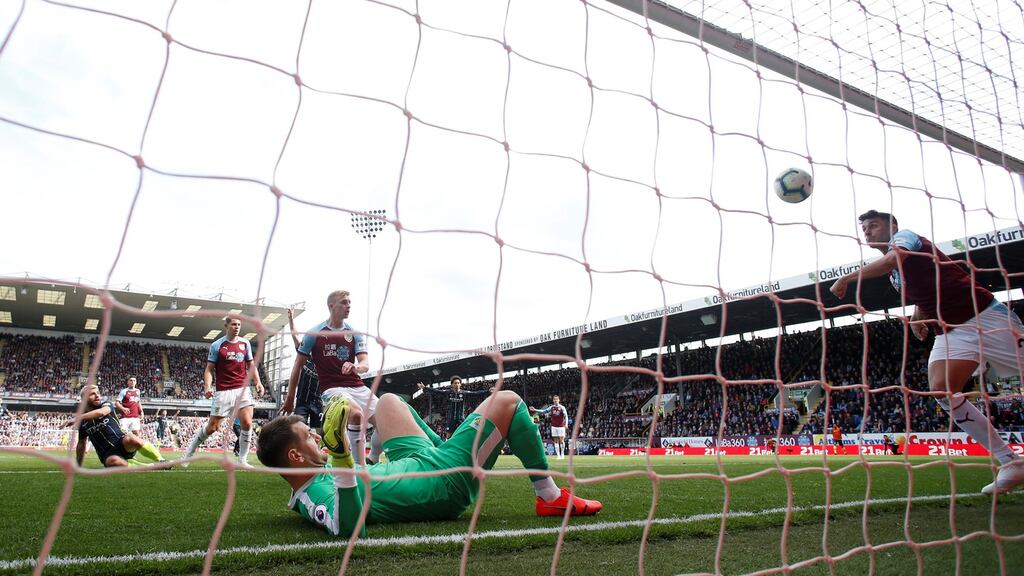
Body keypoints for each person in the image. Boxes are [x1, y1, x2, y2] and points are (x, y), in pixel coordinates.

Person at [831, 210, 1024, 494]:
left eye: (874, 225)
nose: (868, 232)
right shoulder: (897, 273)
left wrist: (848, 278)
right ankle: (1010, 461)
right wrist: (917, 315)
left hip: (985, 317)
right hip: (953, 331)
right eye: (865, 228)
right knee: (941, 389)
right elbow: (927, 286)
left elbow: (892, 260)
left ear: (892, 226)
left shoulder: (906, 238)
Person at [256, 390, 602, 538]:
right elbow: (348, 528)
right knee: (508, 401)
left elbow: (360, 474)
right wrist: (346, 456)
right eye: (308, 436)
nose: (316, 436)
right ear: (295, 456)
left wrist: (355, 429)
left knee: (389, 402)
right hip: (441, 481)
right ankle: (549, 495)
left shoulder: (320, 469)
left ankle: (451, 446)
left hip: (416, 460)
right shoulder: (312, 495)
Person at [282, 290, 377, 465]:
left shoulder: (354, 333)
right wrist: (289, 398)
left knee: (386, 417)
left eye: (349, 302)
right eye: (344, 302)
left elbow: (365, 364)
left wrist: (356, 366)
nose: (348, 306)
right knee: (354, 413)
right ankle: (358, 468)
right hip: (332, 388)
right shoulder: (315, 333)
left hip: (357, 386)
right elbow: (297, 366)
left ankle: (373, 459)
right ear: (331, 306)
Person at [183, 317, 265, 467]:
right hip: (223, 391)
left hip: (243, 389)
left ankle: (242, 460)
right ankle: (188, 454)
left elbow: (251, 365)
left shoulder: (244, 343)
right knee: (212, 428)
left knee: (247, 423)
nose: (237, 327)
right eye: (234, 324)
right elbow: (209, 369)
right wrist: (207, 387)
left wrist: (258, 382)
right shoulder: (217, 345)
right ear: (226, 325)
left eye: (239, 325)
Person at [69, 384, 167, 467]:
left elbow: (102, 413)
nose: (97, 396)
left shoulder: (106, 405)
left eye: (98, 393)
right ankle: (144, 467)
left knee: (131, 437)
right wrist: (78, 466)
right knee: (113, 461)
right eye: (92, 394)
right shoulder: (84, 423)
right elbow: (81, 444)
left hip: (122, 443)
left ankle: (161, 460)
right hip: (107, 455)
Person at [415, 376, 490, 439]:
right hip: (451, 418)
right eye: (455, 383)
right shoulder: (448, 393)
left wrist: (488, 391)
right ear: (452, 385)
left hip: (461, 418)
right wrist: (425, 388)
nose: (457, 384)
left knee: (466, 432)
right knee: (448, 436)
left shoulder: (463, 393)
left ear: (460, 384)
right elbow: (436, 391)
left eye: (458, 383)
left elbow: (476, 393)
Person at [286, 306, 323, 430]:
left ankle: (315, 448)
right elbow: (294, 334)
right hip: (302, 401)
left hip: (319, 402)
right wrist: (291, 319)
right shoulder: (304, 354)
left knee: (319, 433)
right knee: (299, 429)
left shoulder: (325, 361)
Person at [531, 395, 569, 459]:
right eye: (554, 399)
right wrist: (535, 409)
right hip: (554, 426)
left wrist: (566, 424)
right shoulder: (551, 407)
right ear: (553, 400)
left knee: (561, 440)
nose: (555, 400)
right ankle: (558, 455)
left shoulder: (562, 408)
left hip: (561, 426)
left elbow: (566, 416)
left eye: (556, 399)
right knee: (556, 441)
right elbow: (544, 411)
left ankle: (562, 454)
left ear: (559, 400)